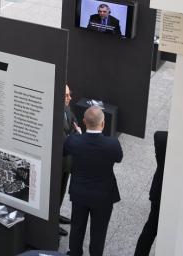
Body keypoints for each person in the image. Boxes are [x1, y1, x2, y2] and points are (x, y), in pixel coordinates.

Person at [65, 106, 123, 256]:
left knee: (77, 227)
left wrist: (78, 135)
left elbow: (65, 150)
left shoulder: (74, 141)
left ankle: (75, 253)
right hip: (103, 195)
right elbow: (119, 158)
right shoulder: (112, 144)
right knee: (99, 231)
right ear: (103, 124)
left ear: (84, 122)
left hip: (80, 193)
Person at [134, 130, 168, 256]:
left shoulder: (162, 140)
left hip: (158, 191)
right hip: (167, 195)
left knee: (150, 229)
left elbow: (158, 133)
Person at [60, 84, 81, 237]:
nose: (70, 98)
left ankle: (56, 214)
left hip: (67, 161)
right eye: (66, 95)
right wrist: (75, 134)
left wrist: (73, 134)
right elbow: (64, 140)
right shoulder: (54, 113)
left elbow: (75, 122)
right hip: (58, 162)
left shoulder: (67, 108)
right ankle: (52, 223)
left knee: (61, 190)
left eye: (69, 94)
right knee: (55, 192)